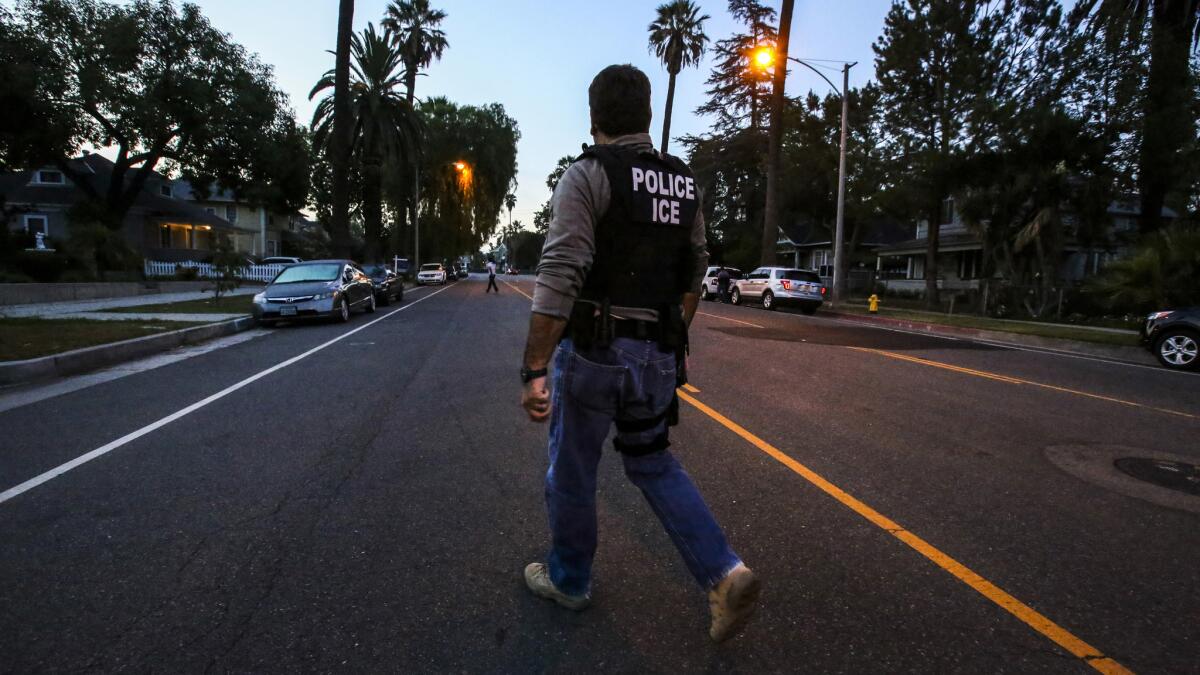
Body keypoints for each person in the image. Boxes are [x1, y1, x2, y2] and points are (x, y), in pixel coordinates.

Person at [518, 64, 759, 642]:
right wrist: (671, 343)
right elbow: (695, 272)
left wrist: (532, 368)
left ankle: (569, 579)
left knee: (572, 470)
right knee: (652, 461)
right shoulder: (683, 185)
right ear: (648, 115)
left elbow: (561, 274)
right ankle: (725, 572)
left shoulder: (587, 175)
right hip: (656, 354)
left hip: (594, 356)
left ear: (594, 117)